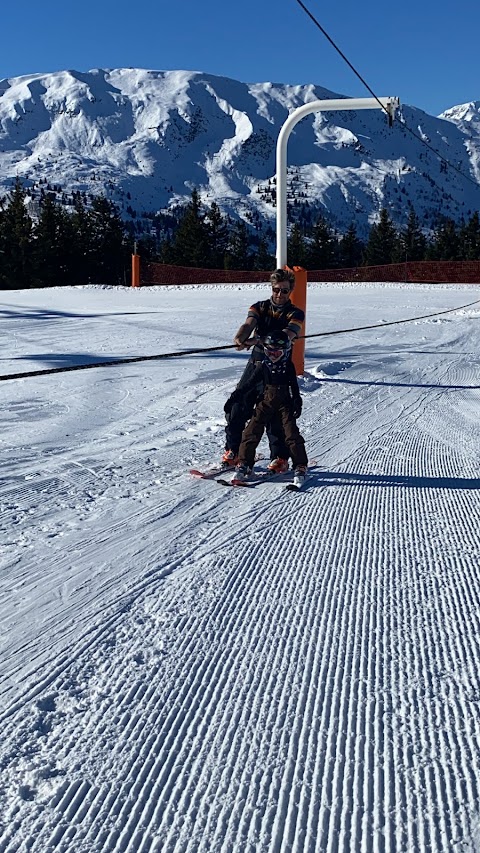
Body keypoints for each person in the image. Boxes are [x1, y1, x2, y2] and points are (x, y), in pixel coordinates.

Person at [222, 269, 305, 472]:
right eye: (276, 290)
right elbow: (248, 323)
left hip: (279, 366)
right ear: (271, 288)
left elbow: (287, 335)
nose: (279, 294)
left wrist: (258, 340)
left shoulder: (295, 313)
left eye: (284, 291)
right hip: (257, 363)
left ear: (290, 291)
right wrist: (240, 337)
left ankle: (280, 456)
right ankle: (233, 449)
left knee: (275, 412)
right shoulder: (259, 307)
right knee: (239, 404)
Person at [224, 331, 308, 483]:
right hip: (266, 401)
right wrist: (235, 396)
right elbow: (249, 384)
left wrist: (297, 400)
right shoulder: (263, 366)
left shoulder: (288, 366)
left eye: (277, 352)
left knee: (290, 433)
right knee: (251, 430)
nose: (273, 355)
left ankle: (300, 465)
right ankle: (244, 463)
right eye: (269, 351)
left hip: (284, 403)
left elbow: (294, 386)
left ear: (285, 351)